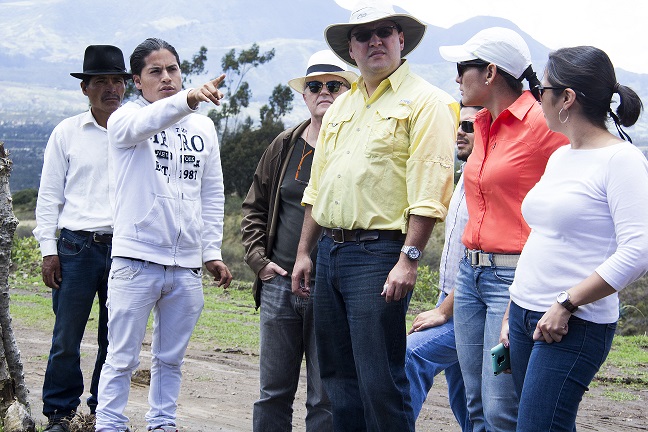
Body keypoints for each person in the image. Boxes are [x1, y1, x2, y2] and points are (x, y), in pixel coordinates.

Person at [291, 5, 459, 430]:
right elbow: (318, 186)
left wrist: (409, 258)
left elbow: (429, 190)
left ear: (401, 39)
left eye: (384, 32)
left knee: (379, 377)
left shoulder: (428, 102)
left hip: (379, 253)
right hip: (329, 249)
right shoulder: (342, 106)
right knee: (337, 377)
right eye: (363, 35)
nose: (375, 41)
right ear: (351, 48)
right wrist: (304, 252)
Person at [502, 46, 648, 432]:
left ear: (566, 98)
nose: (536, 98)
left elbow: (638, 250)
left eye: (540, 89)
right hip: (524, 314)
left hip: (573, 322)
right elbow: (544, 237)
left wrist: (567, 303)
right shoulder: (561, 156)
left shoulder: (623, 161)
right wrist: (511, 308)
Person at [95, 38, 232, 432]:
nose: (167, 78)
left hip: (185, 266)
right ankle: (109, 424)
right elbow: (149, 122)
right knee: (121, 357)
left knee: (171, 358)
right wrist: (188, 98)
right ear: (137, 81)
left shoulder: (203, 127)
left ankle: (162, 423)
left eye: (172, 69)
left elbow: (210, 191)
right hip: (136, 261)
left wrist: (210, 250)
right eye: (155, 72)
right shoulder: (124, 119)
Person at [438, 27, 568, 431]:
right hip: (470, 277)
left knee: (501, 409)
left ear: (490, 72)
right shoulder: (480, 123)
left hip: (511, 280)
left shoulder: (540, 123)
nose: (457, 78)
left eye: (463, 68)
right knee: (474, 403)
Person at [241, 49, 357, 431]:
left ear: (348, 91)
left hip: (333, 287)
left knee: (325, 396)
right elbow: (253, 207)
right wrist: (261, 262)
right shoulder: (285, 145)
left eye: (334, 84)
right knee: (272, 391)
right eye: (314, 86)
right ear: (304, 95)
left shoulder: (359, 147)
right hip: (279, 284)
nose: (323, 91)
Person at [33, 44, 131, 432]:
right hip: (75, 247)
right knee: (66, 336)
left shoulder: (139, 130)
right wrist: (47, 251)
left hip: (126, 247)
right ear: (85, 88)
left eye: (117, 81)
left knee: (115, 338)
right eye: (101, 81)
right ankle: (59, 413)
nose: (111, 88)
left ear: (127, 86)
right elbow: (49, 196)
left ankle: (103, 411)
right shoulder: (67, 133)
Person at [405, 103, 481, 432]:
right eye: (458, 125)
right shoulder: (465, 175)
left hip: (471, 305)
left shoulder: (489, 182)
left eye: (469, 126)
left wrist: (445, 310)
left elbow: (481, 255)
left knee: (411, 356)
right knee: (467, 399)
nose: (459, 132)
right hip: (450, 300)